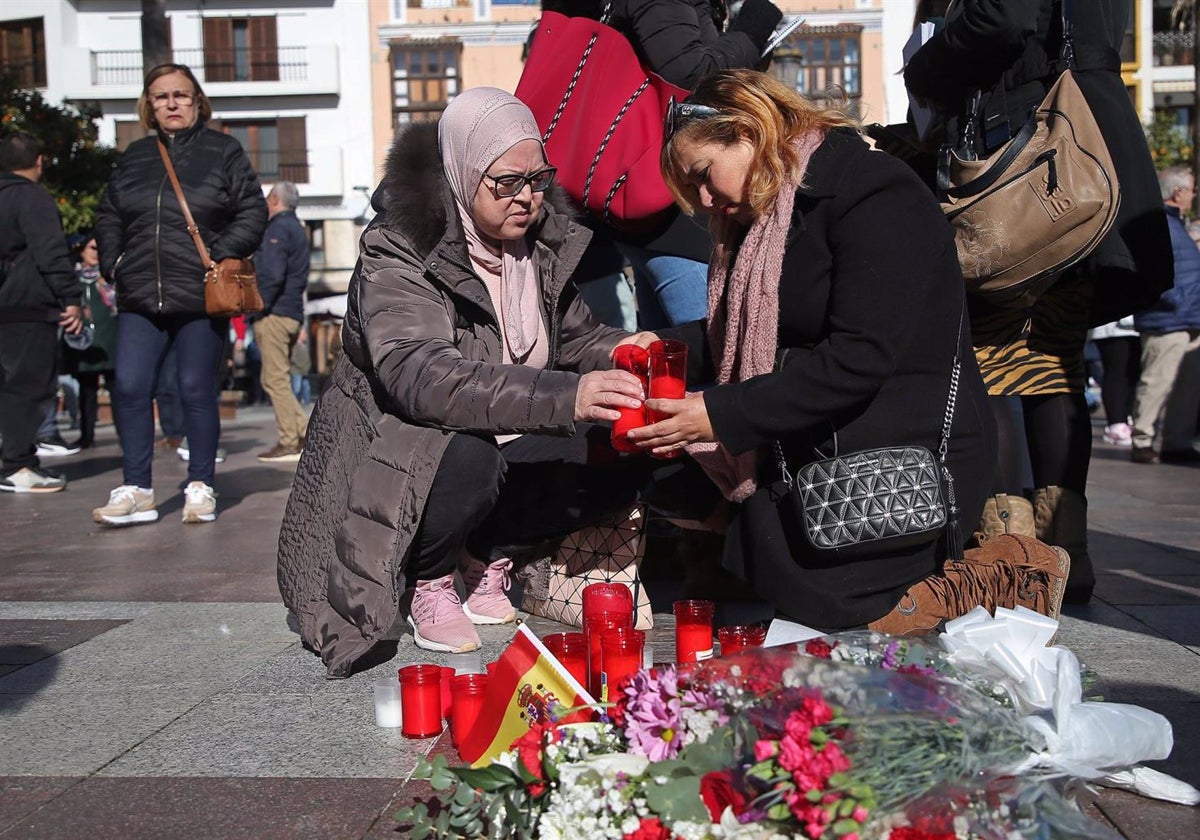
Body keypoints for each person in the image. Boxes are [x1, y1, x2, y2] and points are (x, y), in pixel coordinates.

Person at [639, 69, 1069, 635]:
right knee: (676, 481)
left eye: (702, 176)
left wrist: (718, 414)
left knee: (839, 613)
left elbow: (860, 357)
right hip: (816, 429)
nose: (704, 200)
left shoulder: (871, 191)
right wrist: (655, 349)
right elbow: (739, 330)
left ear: (748, 130)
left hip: (899, 444)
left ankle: (994, 572)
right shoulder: (766, 214)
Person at [276, 88, 672, 677]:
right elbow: (421, 376)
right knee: (467, 457)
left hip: (508, 426)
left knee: (628, 444)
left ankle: (485, 553)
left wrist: (618, 347)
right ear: (462, 174)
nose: (529, 197)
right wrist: (568, 396)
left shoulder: (540, 246)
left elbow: (574, 337)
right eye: (506, 182)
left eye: (538, 178)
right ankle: (429, 579)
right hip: (400, 442)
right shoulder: (401, 248)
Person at [902, 0, 1174, 604]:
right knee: (1055, 361)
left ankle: (1013, 556)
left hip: (1023, 154)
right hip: (1083, 154)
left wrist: (925, 65)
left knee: (996, 362)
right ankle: (1065, 552)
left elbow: (1001, 18)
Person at [92, 63, 267, 526]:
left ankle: (200, 484)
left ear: (197, 102)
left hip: (199, 294)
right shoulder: (134, 157)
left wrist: (216, 254)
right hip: (139, 293)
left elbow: (252, 211)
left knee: (195, 389)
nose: (171, 103)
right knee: (128, 387)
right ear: (148, 105)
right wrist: (114, 262)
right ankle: (136, 489)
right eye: (161, 96)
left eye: (181, 95)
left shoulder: (223, 151)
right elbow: (108, 213)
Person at [539, 0, 784, 330]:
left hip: (657, 203)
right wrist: (753, 29)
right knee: (714, 354)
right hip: (674, 207)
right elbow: (693, 76)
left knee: (671, 359)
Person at [0, 131, 82, 494]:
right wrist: (70, 297)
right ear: (39, 161)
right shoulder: (32, 198)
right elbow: (50, 253)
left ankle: (17, 459)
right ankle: (17, 465)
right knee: (29, 386)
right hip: (28, 306)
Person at [1129, 167, 1200, 466]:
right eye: (1192, 190)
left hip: (1188, 318)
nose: (1193, 196)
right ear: (1178, 192)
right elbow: (1153, 270)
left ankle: (1176, 441)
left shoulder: (1178, 224)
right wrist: (1173, 300)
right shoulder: (1161, 224)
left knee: (1185, 386)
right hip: (1169, 318)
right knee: (1157, 381)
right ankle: (1143, 438)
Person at [252, 180, 311, 463]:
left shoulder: (277, 229)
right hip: (291, 311)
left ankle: (289, 439)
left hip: (275, 312)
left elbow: (272, 274)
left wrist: (258, 305)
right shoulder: (297, 229)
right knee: (278, 378)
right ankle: (304, 431)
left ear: (274, 199)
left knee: (275, 379)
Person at [63, 236, 119, 450]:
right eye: (92, 248)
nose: (96, 253)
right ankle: (86, 436)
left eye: (99, 249)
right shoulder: (73, 280)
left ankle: (125, 436)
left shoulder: (108, 279)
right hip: (85, 345)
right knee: (87, 392)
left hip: (111, 342)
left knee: (118, 392)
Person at [1089, 318, 1139, 447]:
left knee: (1132, 375)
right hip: (1112, 327)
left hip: (1137, 326)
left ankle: (1126, 419)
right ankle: (1116, 424)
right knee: (1116, 371)